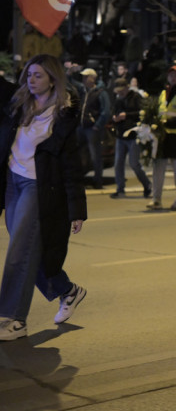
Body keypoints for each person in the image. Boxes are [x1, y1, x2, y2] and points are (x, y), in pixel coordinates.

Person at [0, 54, 88, 341]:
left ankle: (14, 319)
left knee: (18, 255)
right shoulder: (20, 103)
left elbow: (72, 164)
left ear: (52, 78)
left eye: (38, 75)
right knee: (27, 253)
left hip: (38, 188)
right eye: (28, 75)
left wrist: (77, 209)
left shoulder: (62, 114)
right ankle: (67, 290)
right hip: (13, 183)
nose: (31, 80)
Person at [147, 65, 176, 210]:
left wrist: (166, 123)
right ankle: (156, 199)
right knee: (158, 167)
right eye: (171, 74)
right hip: (162, 136)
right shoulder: (163, 93)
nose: (173, 77)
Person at [110, 78, 152, 199]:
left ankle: (147, 184)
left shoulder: (136, 97)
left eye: (122, 90)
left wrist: (127, 115)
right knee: (118, 163)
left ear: (127, 88)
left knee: (134, 163)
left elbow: (142, 112)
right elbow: (114, 112)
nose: (120, 93)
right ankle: (120, 189)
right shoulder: (118, 100)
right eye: (118, 91)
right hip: (121, 135)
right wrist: (115, 118)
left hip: (134, 135)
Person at [77, 67, 111, 189]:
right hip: (82, 126)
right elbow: (69, 81)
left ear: (93, 78)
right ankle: (79, 177)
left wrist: (97, 125)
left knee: (95, 154)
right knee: (78, 153)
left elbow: (106, 111)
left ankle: (98, 180)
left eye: (87, 76)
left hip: (92, 128)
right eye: (84, 77)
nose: (84, 79)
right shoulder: (84, 91)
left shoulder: (100, 92)